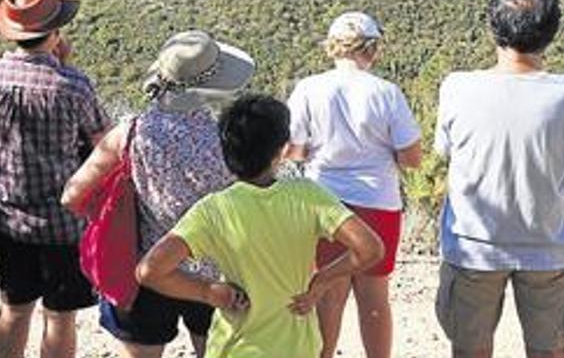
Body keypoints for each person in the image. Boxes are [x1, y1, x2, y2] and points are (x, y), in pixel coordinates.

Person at [136, 94, 385, 358]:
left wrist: (207, 292)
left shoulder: (213, 210)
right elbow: (370, 249)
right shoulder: (309, 196)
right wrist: (322, 280)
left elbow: (150, 270)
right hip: (296, 348)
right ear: (280, 151)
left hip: (234, 348)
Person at [62, 30, 255, 358]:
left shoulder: (130, 133)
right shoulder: (233, 140)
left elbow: (71, 195)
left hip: (148, 268)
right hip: (222, 273)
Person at [434, 0, 564, 358]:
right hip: (550, 247)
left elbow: (444, 151)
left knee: (469, 349)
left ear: (494, 28)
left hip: (473, 247)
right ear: (552, 32)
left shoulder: (457, 87)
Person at [0, 0, 111, 358]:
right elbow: (104, 146)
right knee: (60, 317)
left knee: (14, 308)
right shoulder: (73, 85)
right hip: (64, 223)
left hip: (7, 218)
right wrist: (63, 66)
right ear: (55, 32)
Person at [286, 11, 423, 358]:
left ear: (333, 48)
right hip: (378, 200)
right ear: (372, 49)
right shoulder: (387, 93)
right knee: (374, 296)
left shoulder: (308, 88)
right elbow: (412, 158)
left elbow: (294, 151)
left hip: (322, 201)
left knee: (329, 293)